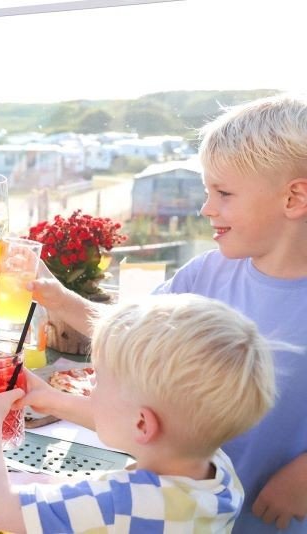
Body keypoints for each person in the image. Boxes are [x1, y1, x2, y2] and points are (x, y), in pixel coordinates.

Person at [27, 94, 307, 532]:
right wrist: (59, 297)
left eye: (224, 193)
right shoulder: (206, 273)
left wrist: (302, 476)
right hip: (185, 512)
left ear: (294, 197)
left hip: (275, 516)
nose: (206, 208)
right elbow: (128, 337)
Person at [0, 294, 276, 533]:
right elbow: (135, 427)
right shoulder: (218, 471)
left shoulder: (119, 502)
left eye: (98, 379)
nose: (89, 383)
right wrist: (51, 399)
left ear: (142, 422)